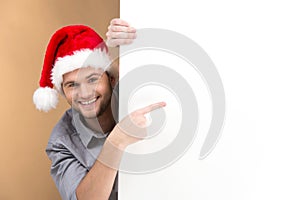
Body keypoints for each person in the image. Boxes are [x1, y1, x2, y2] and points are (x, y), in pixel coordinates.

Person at [33, 18, 166, 200]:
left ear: (112, 79)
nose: (85, 93)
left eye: (93, 79)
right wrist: (116, 142)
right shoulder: (61, 142)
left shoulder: (133, 95)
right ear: (63, 91)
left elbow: (161, 66)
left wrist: (136, 36)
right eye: (72, 85)